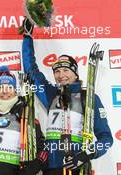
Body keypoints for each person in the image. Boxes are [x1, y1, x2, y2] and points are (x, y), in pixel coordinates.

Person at [21, 18, 113, 175]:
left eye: (66, 70)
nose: (61, 75)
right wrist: (27, 38)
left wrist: (87, 154)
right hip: (51, 167)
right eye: (57, 71)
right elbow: (31, 71)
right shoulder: (51, 95)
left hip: (76, 165)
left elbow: (106, 139)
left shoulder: (88, 98)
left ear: (75, 73)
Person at [0, 65, 48, 175]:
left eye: (9, 87)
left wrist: (30, 169)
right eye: (0, 87)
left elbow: (43, 148)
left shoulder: (26, 113)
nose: (5, 92)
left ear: (15, 90)